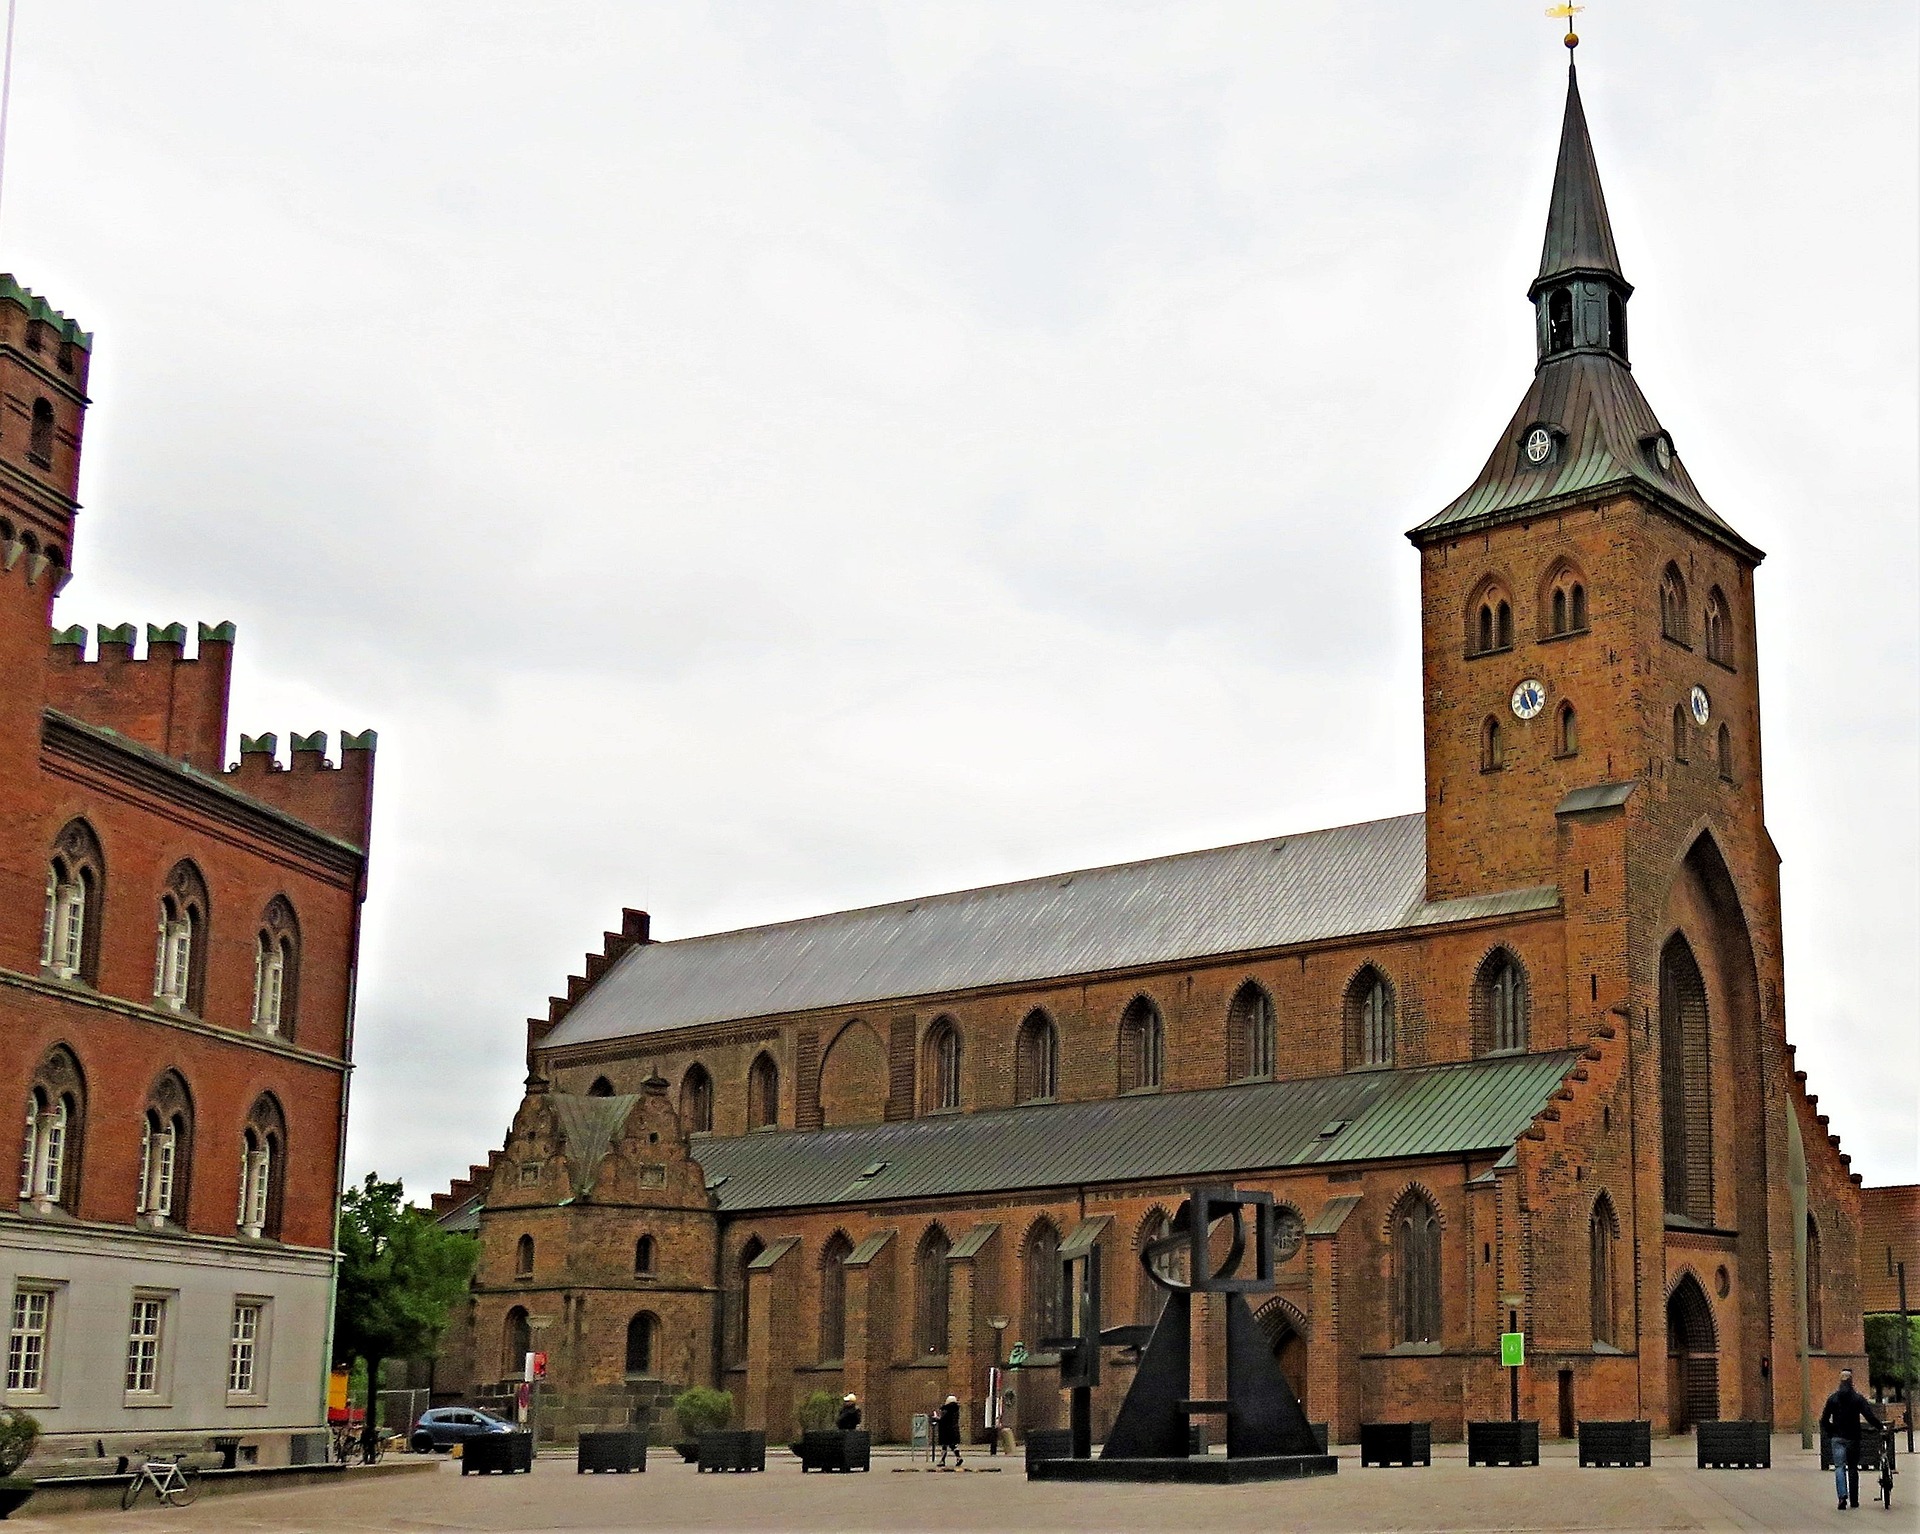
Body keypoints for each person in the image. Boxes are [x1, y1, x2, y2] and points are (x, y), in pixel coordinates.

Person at [1820, 1367, 1883, 1511]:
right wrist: (1880, 1426)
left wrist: (1832, 1431)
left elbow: (1824, 1420)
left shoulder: (1833, 1398)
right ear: (1851, 1381)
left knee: (1839, 1467)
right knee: (1853, 1468)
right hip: (1853, 1437)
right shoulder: (1857, 1398)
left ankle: (1842, 1497)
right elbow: (1869, 1416)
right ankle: (1854, 1500)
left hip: (1837, 1438)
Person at [937, 1393, 963, 1467]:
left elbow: (943, 1420)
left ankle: (942, 1460)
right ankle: (958, 1457)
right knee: (953, 1445)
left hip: (946, 1430)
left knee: (944, 1445)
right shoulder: (956, 1410)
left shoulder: (947, 1410)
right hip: (954, 1429)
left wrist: (937, 1419)